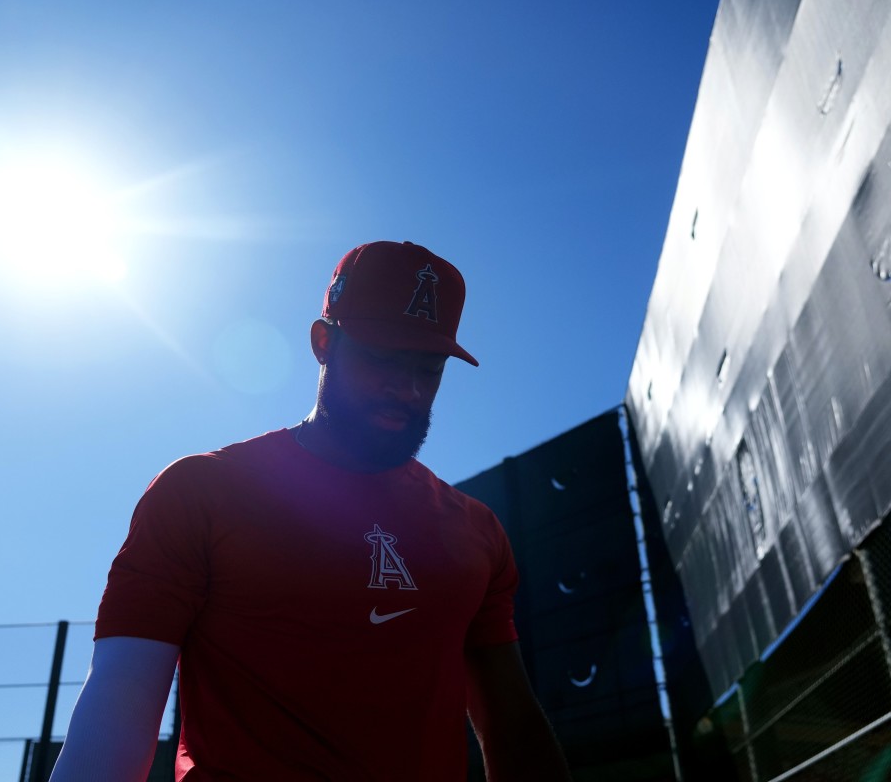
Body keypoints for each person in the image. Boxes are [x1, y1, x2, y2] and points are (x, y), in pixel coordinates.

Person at [50, 241, 570, 781]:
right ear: (324, 342)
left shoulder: (477, 532)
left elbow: (512, 724)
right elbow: (118, 706)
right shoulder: (199, 492)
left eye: (428, 368)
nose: (408, 388)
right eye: (383, 356)